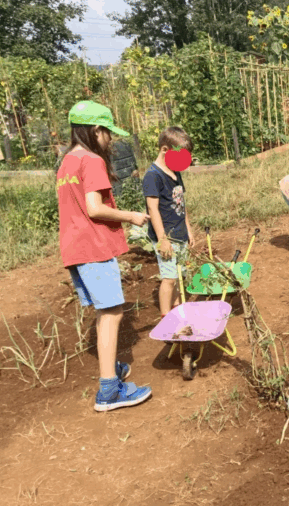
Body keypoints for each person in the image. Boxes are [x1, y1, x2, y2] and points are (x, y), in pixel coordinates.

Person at [56, 100, 152, 412]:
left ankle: (111, 370)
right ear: (96, 130)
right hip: (93, 246)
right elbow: (95, 208)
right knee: (112, 313)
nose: (110, 139)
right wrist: (131, 216)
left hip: (75, 246)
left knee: (105, 311)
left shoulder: (68, 160)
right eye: (107, 132)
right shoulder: (92, 161)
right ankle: (109, 390)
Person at [142, 127, 196, 319]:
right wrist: (162, 239)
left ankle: (178, 308)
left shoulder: (175, 172)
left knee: (180, 275)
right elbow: (152, 209)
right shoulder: (152, 176)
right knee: (169, 278)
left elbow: (182, 203)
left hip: (180, 233)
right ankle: (166, 317)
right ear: (165, 150)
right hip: (167, 237)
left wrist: (188, 229)